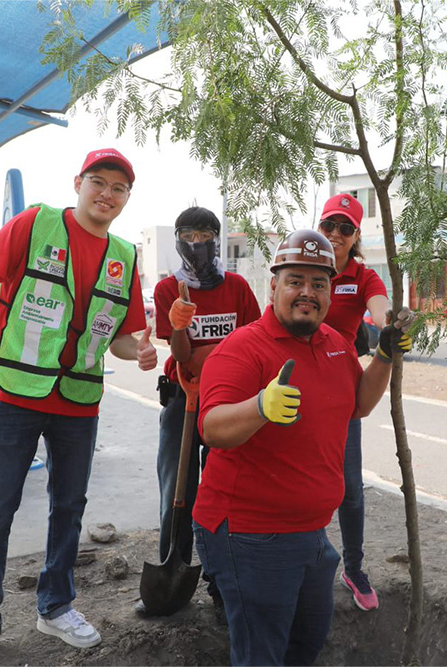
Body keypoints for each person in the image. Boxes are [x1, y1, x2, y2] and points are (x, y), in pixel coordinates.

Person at [0, 148, 158, 667]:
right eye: (98, 182)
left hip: (79, 402)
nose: (107, 194)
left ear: (126, 199)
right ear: (79, 183)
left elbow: (122, 341)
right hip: (14, 393)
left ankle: (56, 606)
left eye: (118, 188)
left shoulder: (125, 257)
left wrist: (143, 350)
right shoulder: (34, 224)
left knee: (69, 507)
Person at [192, 229, 413, 665]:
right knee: (262, 654)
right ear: (272, 286)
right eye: (295, 281)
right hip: (249, 532)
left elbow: (360, 404)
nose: (306, 293)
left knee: (306, 643)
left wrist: (385, 356)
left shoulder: (335, 344)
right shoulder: (242, 349)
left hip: (311, 531)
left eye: (318, 283)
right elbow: (211, 428)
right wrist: (260, 406)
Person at [136, 206, 261, 619]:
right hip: (181, 401)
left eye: (205, 234)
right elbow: (183, 355)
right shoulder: (170, 290)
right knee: (178, 490)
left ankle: (222, 581)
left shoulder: (239, 288)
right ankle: (172, 570)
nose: (197, 243)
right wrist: (177, 326)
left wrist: (214, 360)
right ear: (177, 240)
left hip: (228, 402)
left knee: (227, 492)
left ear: (216, 239)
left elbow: (250, 346)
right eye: (188, 235)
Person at [315, 193, 390, 611]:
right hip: (296, 389)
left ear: (356, 235)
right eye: (329, 225)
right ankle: (306, 560)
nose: (335, 235)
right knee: (302, 481)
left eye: (345, 228)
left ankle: (354, 567)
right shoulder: (308, 266)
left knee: (350, 489)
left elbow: (380, 310)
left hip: (342, 394)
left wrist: (390, 326)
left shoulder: (363, 277)